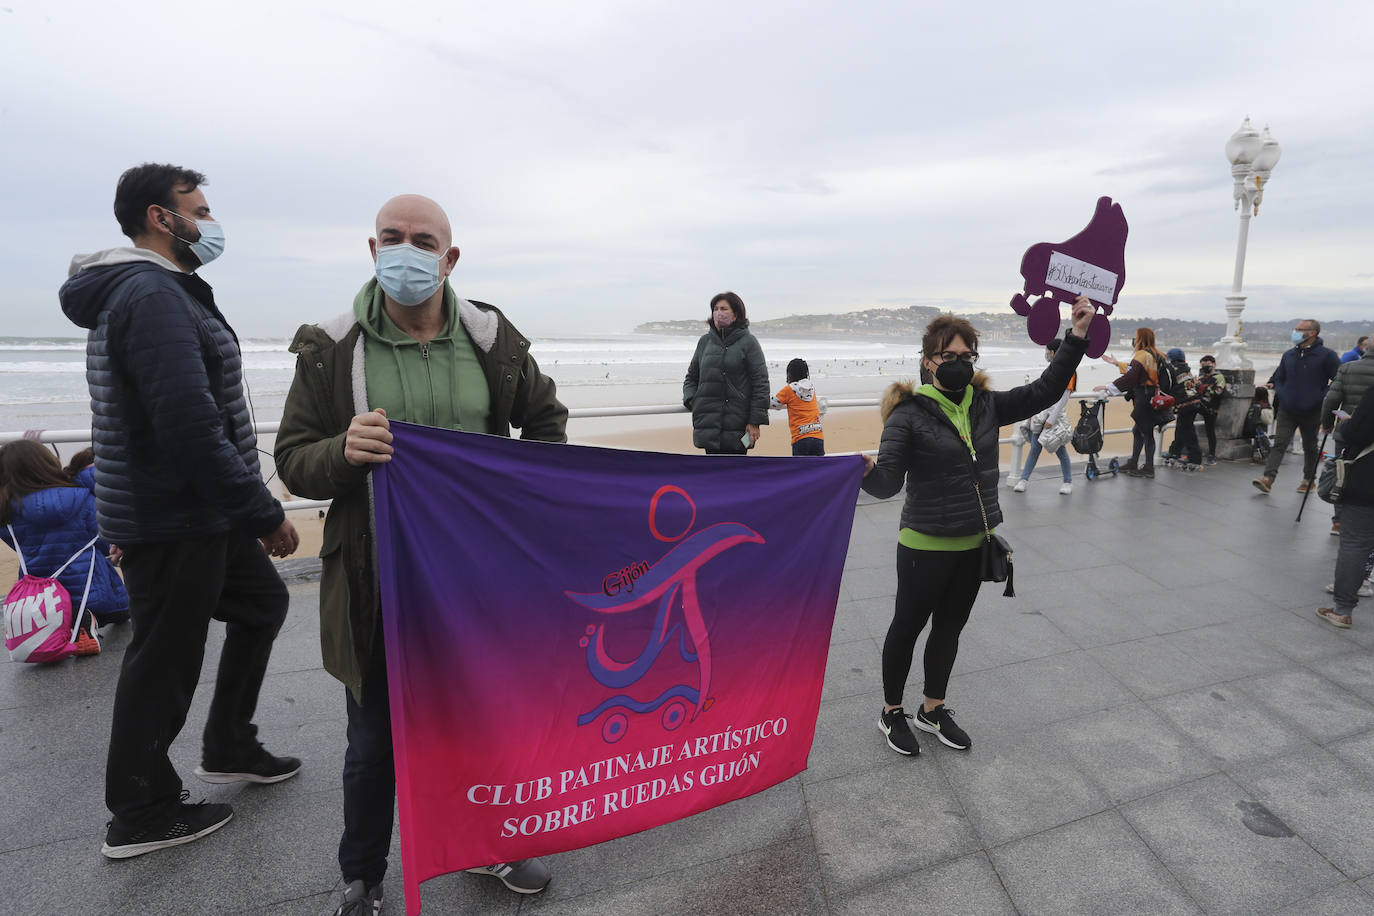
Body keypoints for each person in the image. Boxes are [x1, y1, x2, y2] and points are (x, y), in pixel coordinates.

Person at [274, 194, 568, 915]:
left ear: (450, 256)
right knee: (373, 740)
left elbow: (548, 424)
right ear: (373, 251)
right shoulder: (331, 346)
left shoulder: (493, 341)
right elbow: (292, 459)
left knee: (481, 722)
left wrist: (521, 499)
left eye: (423, 240)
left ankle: (491, 843)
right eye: (392, 238)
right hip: (378, 580)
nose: (407, 250)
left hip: (478, 581)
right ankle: (363, 875)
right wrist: (341, 453)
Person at [59, 163, 300, 861]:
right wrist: (261, 511)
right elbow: (189, 424)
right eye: (200, 209)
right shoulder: (151, 294)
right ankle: (139, 810)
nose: (211, 221)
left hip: (197, 512)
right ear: (163, 218)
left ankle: (230, 745)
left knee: (260, 606)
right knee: (163, 657)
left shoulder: (165, 291)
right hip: (173, 516)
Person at [861, 297, 1094, 756]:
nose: (961, 364)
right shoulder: (907, 415)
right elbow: (888, 483)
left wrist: (1077, 336)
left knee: (949, 629)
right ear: (929, 362)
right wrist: (866, 471)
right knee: (907, 628)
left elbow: (1046, 389)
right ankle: (892, 712)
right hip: (923, 545)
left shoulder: (985, 405)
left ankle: (932, 709)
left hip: (973, 542)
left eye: (968, 356)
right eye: (951, 357)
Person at [0, 440, 129, 649]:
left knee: (52, 612)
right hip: (90, 587)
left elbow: (20, 547)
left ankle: (67, 623)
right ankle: (85, 616)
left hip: (40, 597)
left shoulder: (6, 511)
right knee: (122, 612)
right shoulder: (79, 496)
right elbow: (101, 537)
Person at [1253, 318, 1339, 495]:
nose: (1296, 332)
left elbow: (1338, 380)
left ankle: (1309, 480)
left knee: (1310, 446)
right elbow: (1279, 377)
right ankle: (1268, 479)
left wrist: (1320, 396)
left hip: (1312, 410)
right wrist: (1284, 393)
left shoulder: (1327, 355)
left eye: (1300, 329)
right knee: (1279, 443)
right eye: (1296, 328)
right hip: (1287, 409)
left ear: (1313, 333)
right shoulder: (1289, 355)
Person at [683, 292, 769, 454]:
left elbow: (761, 383)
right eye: (715, 309)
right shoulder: (705, 342)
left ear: (736, 314)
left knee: (736, 476)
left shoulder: (749, 342)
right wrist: (693, 401)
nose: (718, 312)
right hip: (708, 424)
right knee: (711, 476)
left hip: (738, 425)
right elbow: (691, 378)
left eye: (724, 308)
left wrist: (755, 421)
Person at [1318, 387, 1374, 629]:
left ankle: (1342, 609)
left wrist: (1349, 422)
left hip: (1368, 480)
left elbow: (1358, 432)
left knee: (1355, 543)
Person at [1095, 328, 1169, 478]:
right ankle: (1134, 462)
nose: (1133, 340)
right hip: (1150, 396)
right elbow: (1136, 371)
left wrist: (1108, 387)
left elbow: (1132, 376)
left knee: (1146, 433)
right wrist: (1116, 363)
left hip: (1145, 397)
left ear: (1140, 338)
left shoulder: (1142, 354)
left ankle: (1148, 468)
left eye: (1135, 337)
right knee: (1140, 430)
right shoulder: (1153, 354)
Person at [1321, 343, 1374, 535]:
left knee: (1342, 474)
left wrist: (1327, 424)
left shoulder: (1348, 368)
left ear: (1366, 348)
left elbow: (1331, 400)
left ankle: (1339, 521)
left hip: (1349, 431)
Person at [1013, 338, 1075, 494]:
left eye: (1047, 351)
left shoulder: (1069, 370)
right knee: (1035, 449)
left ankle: (1068, 482)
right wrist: (1032, 413)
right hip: (1040, 416)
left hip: (1055, 418)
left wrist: (1052, 419)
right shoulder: (1051, 369)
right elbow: (1040, 393)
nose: (1046, 354)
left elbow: (1065, 397)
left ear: (1054, 352)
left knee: (1061, 450)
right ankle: (1023, 480)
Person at [769, 358, 826, 456]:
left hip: (801, 438)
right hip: (818, 436)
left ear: (789, 375)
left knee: (801, 470)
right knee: (817, 470)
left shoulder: (789, 390)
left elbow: (773, 403)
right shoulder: (811, 389)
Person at [1162, 348, 1203, 466]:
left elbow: (1166, 385)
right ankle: (1175, 451)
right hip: (1194, 401)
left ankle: (1195, 458)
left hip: (1184, 404)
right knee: (1181, 428)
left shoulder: (1171, 369)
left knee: (1187, 431)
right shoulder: (1186, 369)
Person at [1194, 355, 1228, 463]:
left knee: (1210, 431)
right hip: (1200, 404)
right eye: (1203, 365)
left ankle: (1212, 454)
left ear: (1214, 364)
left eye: (1208, 365)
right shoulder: (1201, 378)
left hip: (1211, 408)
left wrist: (1202, 387)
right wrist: (1194, 385)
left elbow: (1218, 392)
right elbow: (1195, 391)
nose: (1206, 367)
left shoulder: (1218, 377)